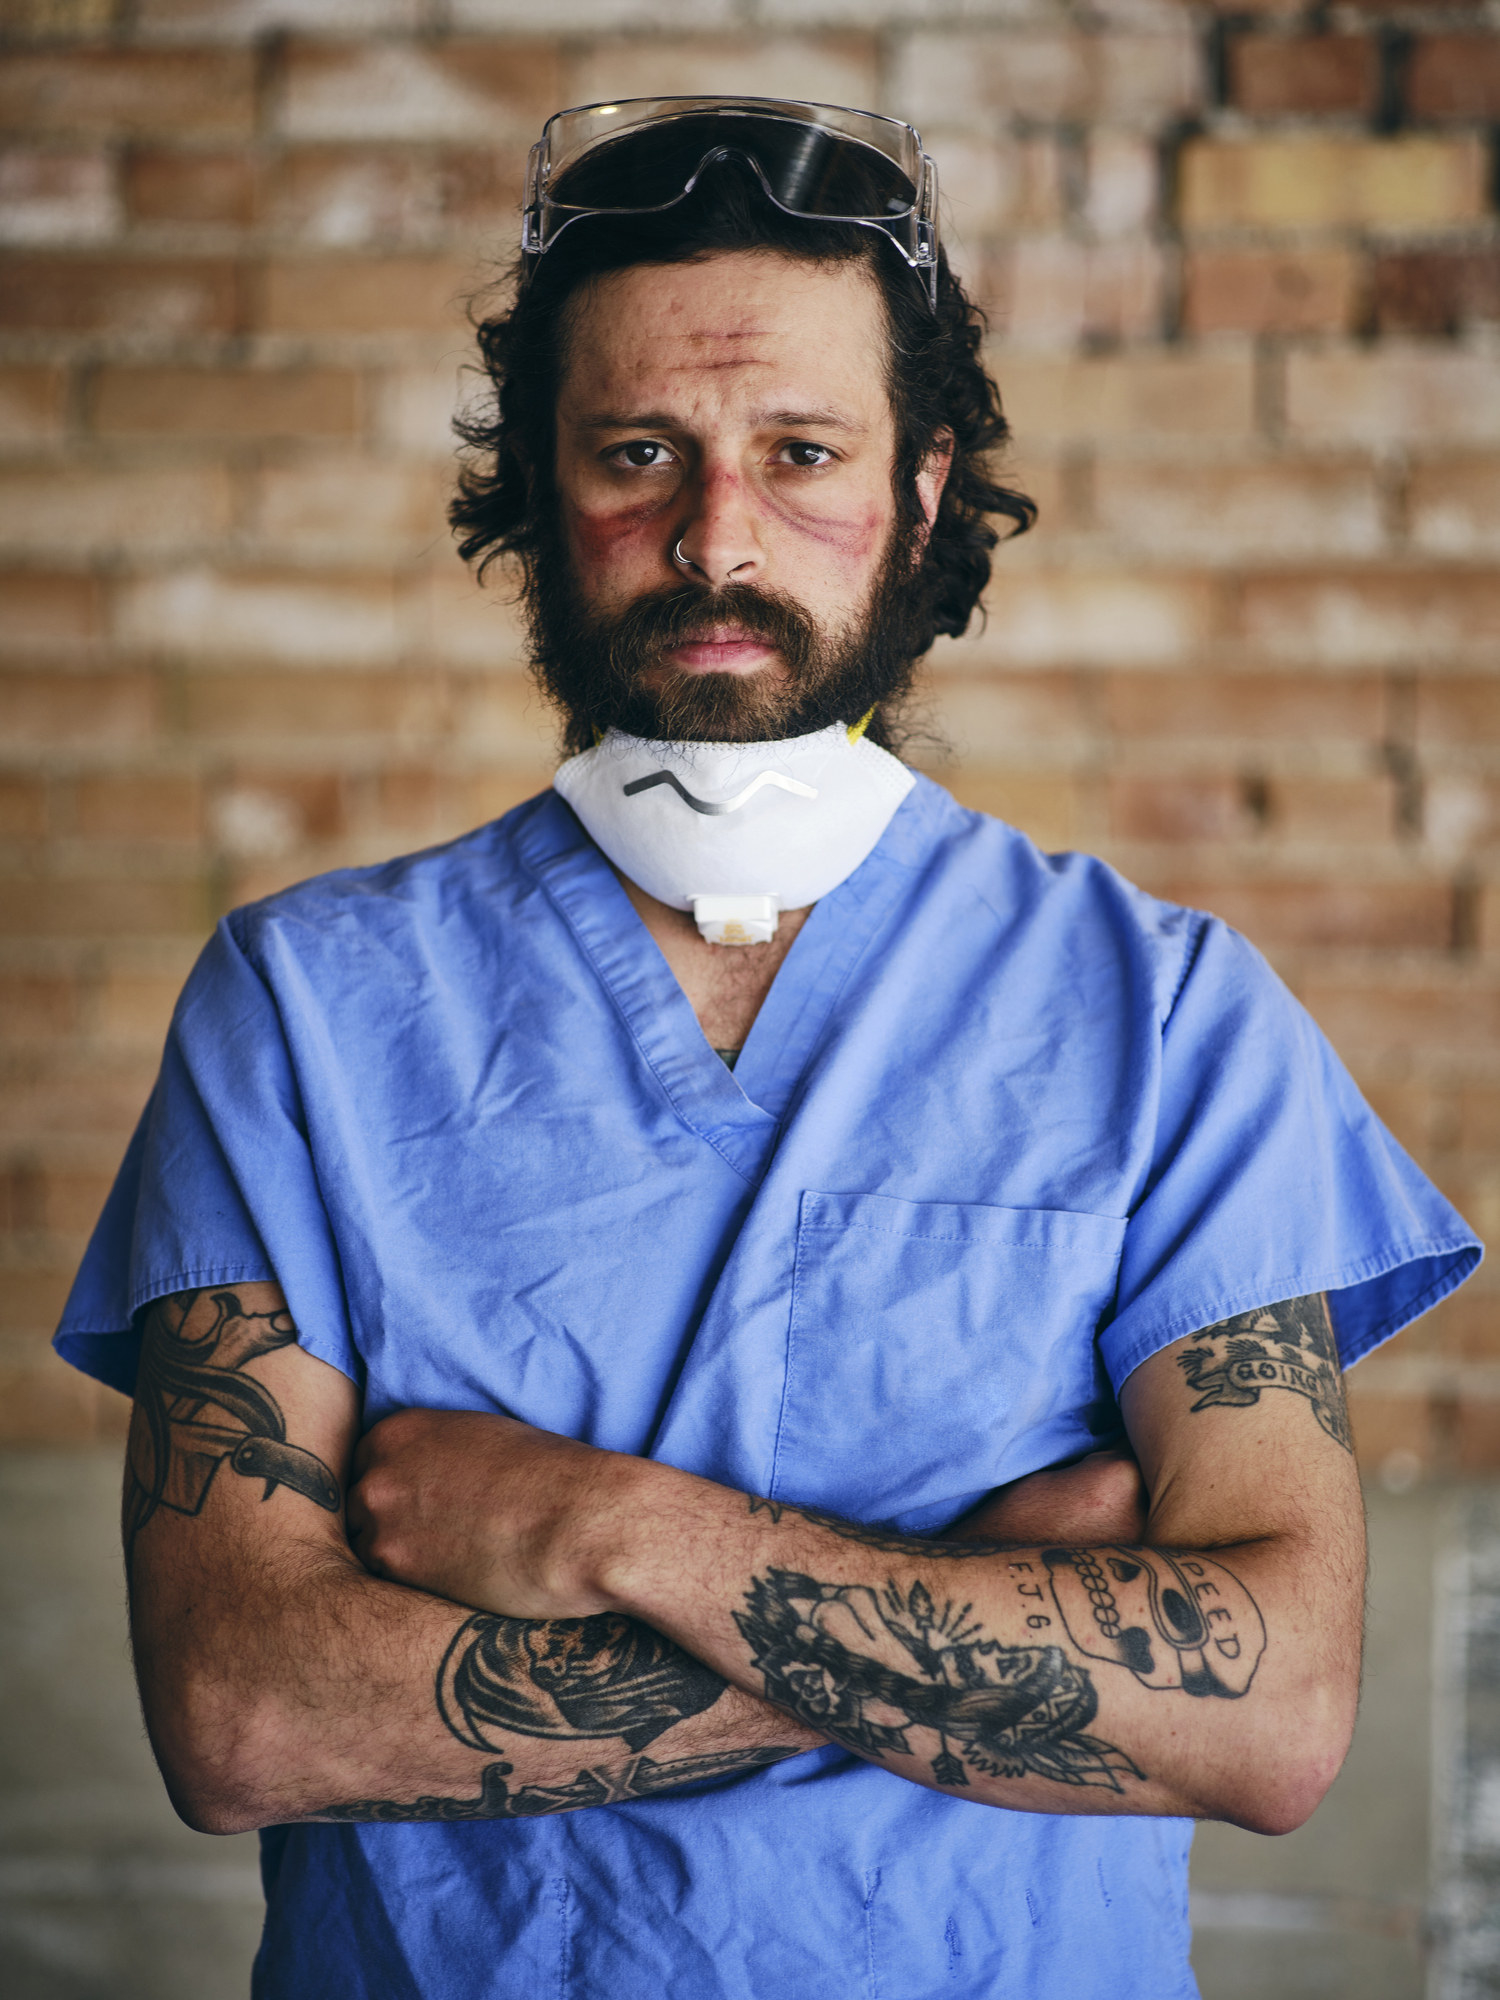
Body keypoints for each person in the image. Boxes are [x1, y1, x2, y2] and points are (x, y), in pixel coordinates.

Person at [56, 97, 1479, 1999]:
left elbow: (1274, 1713)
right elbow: (245, 1714)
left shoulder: (1161, 1015)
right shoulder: (302, 1009)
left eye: (802, 454)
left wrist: (615, 1530)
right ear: (542, 484)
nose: (717, 539)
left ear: (918, 487)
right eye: (640, 452)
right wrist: (977, 1607)